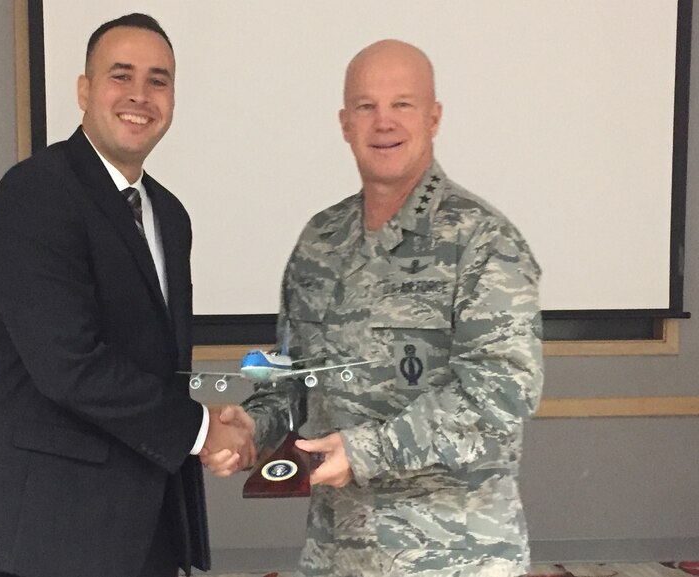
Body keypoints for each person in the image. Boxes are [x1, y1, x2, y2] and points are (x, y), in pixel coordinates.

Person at [204, 40, 544, 577]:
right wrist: (253, 427)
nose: (383, 121)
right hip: (338, 554)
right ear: (345, 122)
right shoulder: (320, 240)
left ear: (434, 117)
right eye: (366, 106)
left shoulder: (483, 241)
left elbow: (501, 394)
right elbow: (294, 379)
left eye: (402, 104)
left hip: (455, 557)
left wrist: (367, 451)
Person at [0, 14, 254, 577]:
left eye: (158, 80)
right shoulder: (35, 192)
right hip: (46, 536)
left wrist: (203, 431)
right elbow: (69, 365)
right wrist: (203, 430)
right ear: (84, 90)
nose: (141, 95)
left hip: (147, 528)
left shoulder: (170, 214)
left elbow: (160, 367)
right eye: (121, 75)